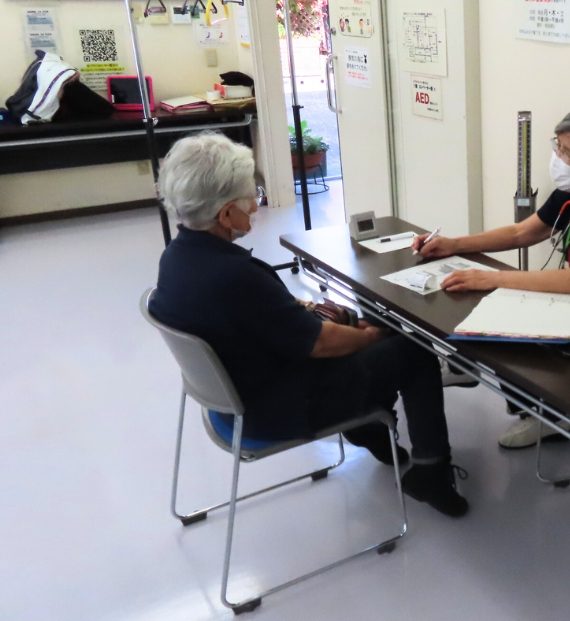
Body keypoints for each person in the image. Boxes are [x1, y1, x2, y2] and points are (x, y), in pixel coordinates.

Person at [148, 133, 468, 517]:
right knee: (413, 349)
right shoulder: (235, 276)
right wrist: (375, 335)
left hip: (230, 400)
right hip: (277, 409)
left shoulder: (175, 257)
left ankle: (369, 429)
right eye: (250, 197)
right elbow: (322, 342)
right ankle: (430, 471)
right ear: (226, 214)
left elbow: (261, 321)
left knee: (370, 330)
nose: (256, 204)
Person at [411, 107, 570, 449]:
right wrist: (453, 244)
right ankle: (462, 366)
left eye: (568, 154)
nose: (557, 158)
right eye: (557, 146)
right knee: (480, 301)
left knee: (503, 317)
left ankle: (549, 418)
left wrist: (492, 278)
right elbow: (522, 232)